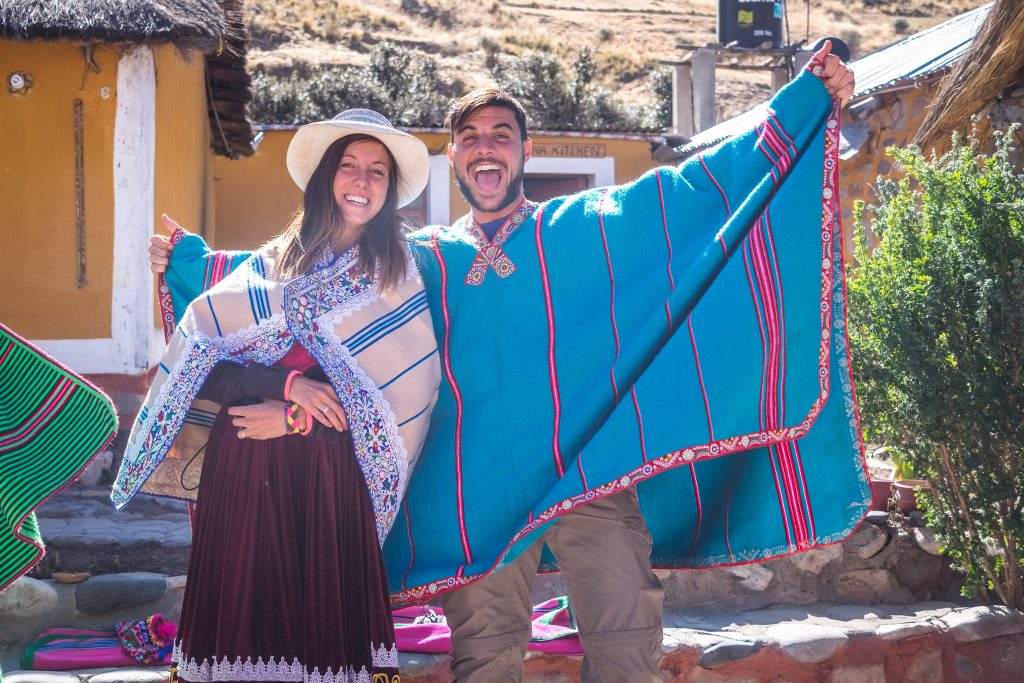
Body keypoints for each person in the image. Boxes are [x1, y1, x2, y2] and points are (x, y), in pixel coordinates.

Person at [149, 43, 859, 683]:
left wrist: (801, 102)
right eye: (469, 139)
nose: (485, 150)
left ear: (524, 151)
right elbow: (297, 285)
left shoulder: (582, 229)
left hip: (588, 477)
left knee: (626, 641)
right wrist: (192, 263)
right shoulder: (414, 262)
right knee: (485, 656)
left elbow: (692, 197)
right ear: (451, 156)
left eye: (501, 136)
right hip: (474, 498)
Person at [113, 109, 441, 683]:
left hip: (328, 475)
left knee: (319, 640)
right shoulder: (267, 268)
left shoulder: (399, 279)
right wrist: (284, 383)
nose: (361, 182)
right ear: (324, 177)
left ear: (390, 190)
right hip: (243, 462)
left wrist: (295, 418)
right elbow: (202, 364)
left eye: (378, 172)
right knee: (242, 625)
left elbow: (397, 403)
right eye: (349, 166)